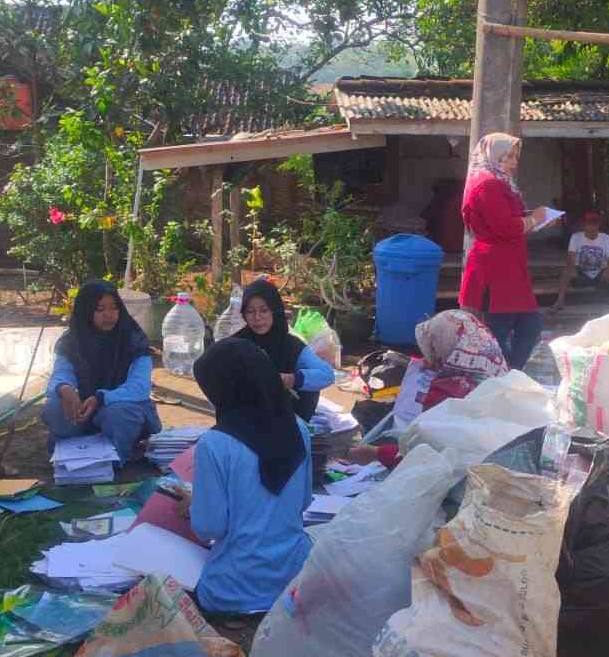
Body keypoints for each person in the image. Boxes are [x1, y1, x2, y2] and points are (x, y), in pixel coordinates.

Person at [181, 339, 312, 615]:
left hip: (233, 591)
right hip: (293, 579)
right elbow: (303, 501)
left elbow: (209, 527)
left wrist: (192, 506)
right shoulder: (299, 428)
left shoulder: (214, 444)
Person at [348, 309, 510, 469]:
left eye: (432, 348)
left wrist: (375, 453)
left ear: (442, 347)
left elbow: (425, 456)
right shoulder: (502, 375)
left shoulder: (447, 391)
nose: (427, 357)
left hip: (460, 478)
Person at [459, 132, 555, 370]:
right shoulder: (487, 184)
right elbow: (504, 227)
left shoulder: (498, 182)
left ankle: (507, 376)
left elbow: (509, 222)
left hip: (509, 269)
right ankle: (501, 379)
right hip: (496, 270)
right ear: (494, 155)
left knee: (526, 327)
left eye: (515, 157)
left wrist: (537, 220)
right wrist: (534, 219)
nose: (514, 162)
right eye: (509, 156)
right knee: (503, 332)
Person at [44, 281, 162, 461]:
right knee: (56, 405)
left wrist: (101, 398)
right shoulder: (71, 340)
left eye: (114, 307)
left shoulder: (133, 339)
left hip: (119, 405)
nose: (109, 315)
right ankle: (70, 459)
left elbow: (139, 387)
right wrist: (64, 387)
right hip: (83, 411)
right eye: (100, 309)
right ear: (86, 311)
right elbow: (61, 372)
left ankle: (112, 460)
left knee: (118, 414)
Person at [229, 278, 334, 423]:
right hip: (247, 419)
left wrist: (292, 380)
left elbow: (327, 374)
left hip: (288, 421)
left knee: (309, 384)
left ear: (275, 310)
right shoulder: (237, 343)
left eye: (264, 310)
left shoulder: (290, 345)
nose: (257, 318)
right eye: (250, 311)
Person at [553, 210, 609, 310]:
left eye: (595, 222)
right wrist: (571, 267)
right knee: (566, 270)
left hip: (601, 274)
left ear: (599, 224)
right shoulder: (576, 237)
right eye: (589, 223)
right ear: (584, 225)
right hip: (581, 273)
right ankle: (560, 300)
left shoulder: (605, 238)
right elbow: (570, 257)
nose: (592, 226)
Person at [420, 178, 466, 253]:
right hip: (450, 248)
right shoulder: (445, 201)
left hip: (450, 248)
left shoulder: (452, 201)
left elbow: (426, 218)